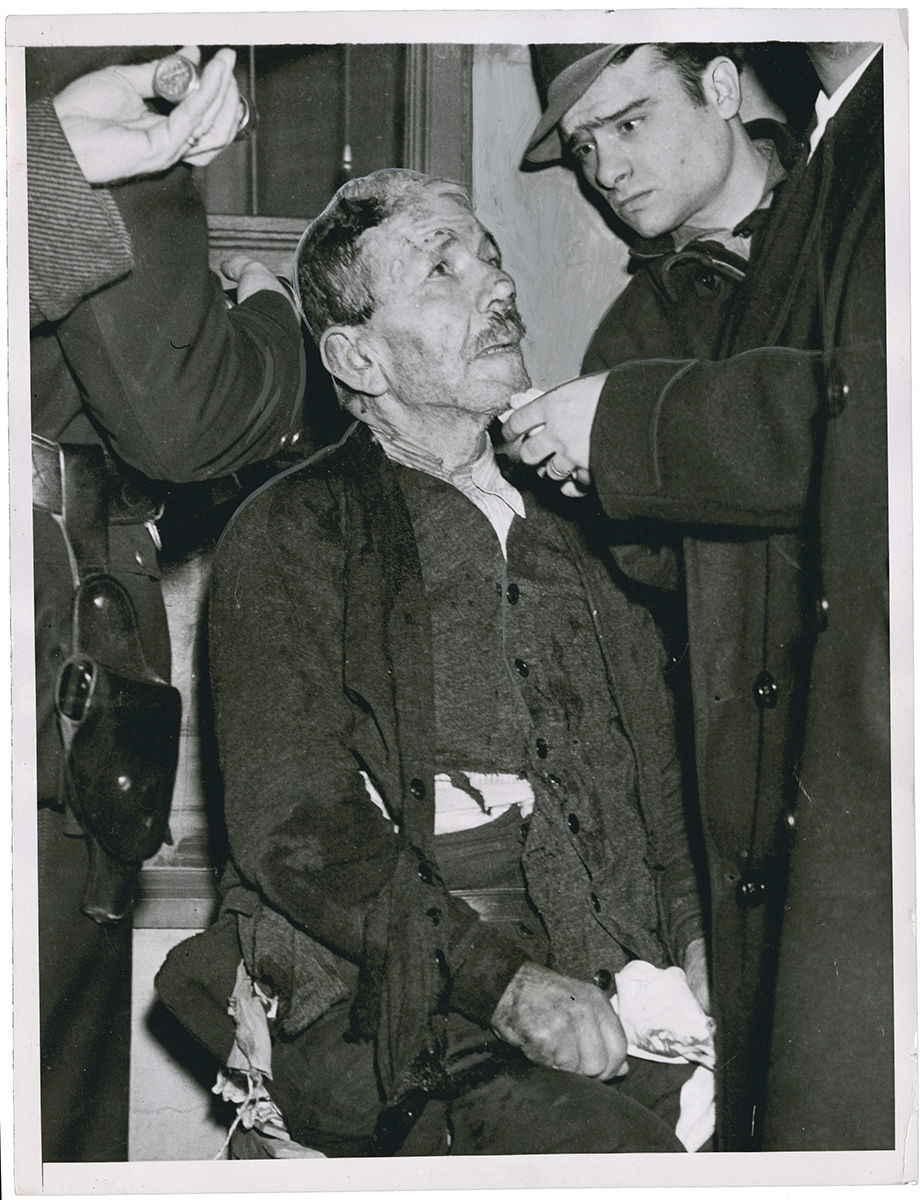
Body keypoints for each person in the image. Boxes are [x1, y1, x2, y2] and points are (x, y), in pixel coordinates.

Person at [157, 168, 714, 1158]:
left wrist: (698, 938)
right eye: (441, 270)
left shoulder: (590, 511)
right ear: (357, 356)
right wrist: (503, 986)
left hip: (621, 967)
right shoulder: (291, 530)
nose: (494, 287)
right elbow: (297, 828)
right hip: (391, 993)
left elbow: (658, 769)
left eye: (490, 259)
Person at [506, 41, 889, 1152]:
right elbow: (662, 603)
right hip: (760, 784)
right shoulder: (632, 337)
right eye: (583, 151)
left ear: (720, 87)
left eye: (626, 123)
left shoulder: (852, 200)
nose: (606, 169)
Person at [28, 47, 308, 1162]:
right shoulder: (93, 68)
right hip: (44, 653)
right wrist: (275, 312)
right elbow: (187, 419)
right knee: (50, 1100)